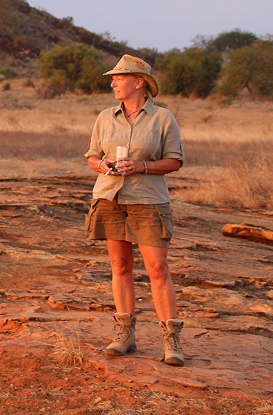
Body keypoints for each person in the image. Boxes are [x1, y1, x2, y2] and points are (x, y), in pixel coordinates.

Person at [84, 54, 186, 366]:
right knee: (120, 266)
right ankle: (125, 334)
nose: (113, 83)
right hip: (110, 197)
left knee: (158, 269)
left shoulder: (163, 118)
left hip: (148, 200)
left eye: (119, 78)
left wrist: (141, 166)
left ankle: (171, 340)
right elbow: (91, 156)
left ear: (139, 82)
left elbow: (175, 161)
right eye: (113, 79)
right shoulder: (105, 117)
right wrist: (102, 165)